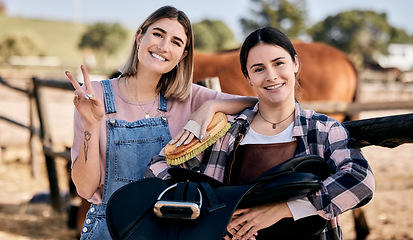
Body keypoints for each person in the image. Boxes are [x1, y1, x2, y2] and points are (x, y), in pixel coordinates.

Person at [146, 26, 375, 240]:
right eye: (258, 69)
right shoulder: (224, 130)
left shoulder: (323, 129)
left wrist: (283, 210)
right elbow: (157, 169)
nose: (271, 76)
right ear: (247, 77)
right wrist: (212, 214)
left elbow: (361, 180)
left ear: (295, 63)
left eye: (279, 63)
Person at [65, 6, 257, 239]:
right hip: (108, 229)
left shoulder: (191, 98)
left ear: (183, 55)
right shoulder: (95, 95)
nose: (163, 46)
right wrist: (92, 125)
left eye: (176, 42)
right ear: (139, 36)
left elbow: (257, 104)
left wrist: (211, 105)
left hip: (167, 228)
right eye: (158, 34)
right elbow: (85, 189)